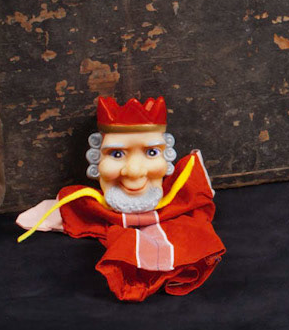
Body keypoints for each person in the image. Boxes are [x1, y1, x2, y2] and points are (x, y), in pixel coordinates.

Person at [15, 95, 223, 300]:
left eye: (151, 152)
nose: (134, 171)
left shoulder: (188, 197)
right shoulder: (78, 207)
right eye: (116, 154)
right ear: (96, 161)